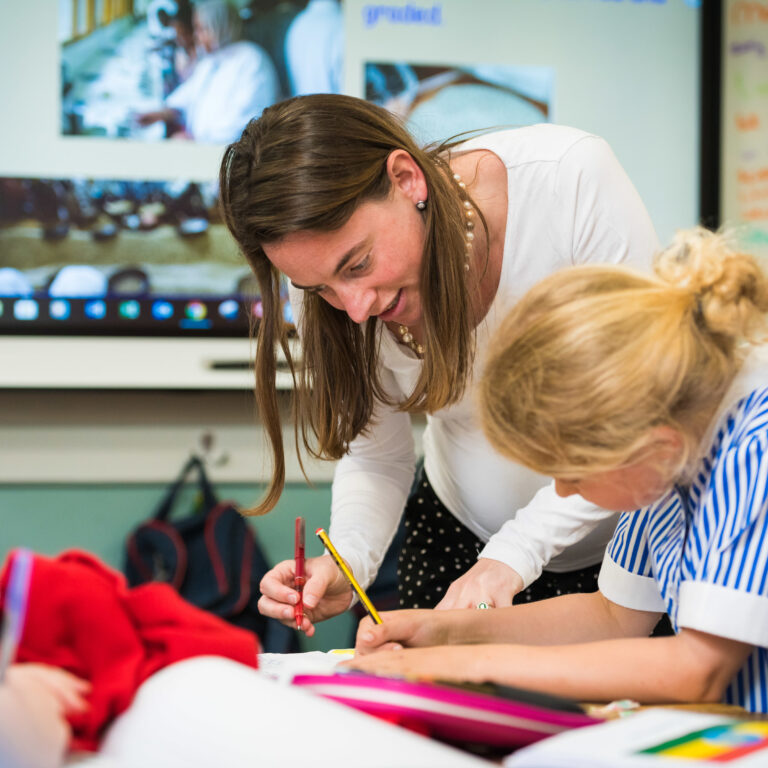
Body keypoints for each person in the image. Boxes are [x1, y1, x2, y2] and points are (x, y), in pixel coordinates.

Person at [218, 94, 658, 634]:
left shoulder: (568, 181)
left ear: (407, 180)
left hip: (627, 552)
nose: (355, 310)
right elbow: (377, 457)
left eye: (358, 264)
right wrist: (348, 559)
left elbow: (636, 418)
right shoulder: (319, 275)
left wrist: (512, 557)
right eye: (321, 288)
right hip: (460, 546)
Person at [347, 227, 768, 712]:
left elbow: (698, 669)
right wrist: (444, 633)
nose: (565, 493)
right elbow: (611, 615)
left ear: (653, 445)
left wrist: (464, 668)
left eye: (574, 473)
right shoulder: (669, 437)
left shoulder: (751, 452)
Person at [136, 0, 279, 143]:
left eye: (202, 29)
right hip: (203, 148)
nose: (196, 36)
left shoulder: (251, 59)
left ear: (219, 26)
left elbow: (248, 118)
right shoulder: (210, 62)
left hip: (230, 152)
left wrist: (199, 140)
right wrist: (162, 113)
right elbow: (188, 94)